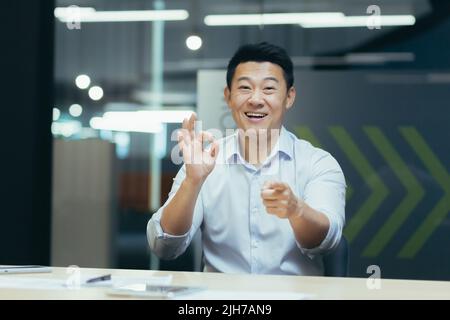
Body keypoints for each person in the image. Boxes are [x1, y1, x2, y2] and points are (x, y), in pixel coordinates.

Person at [147, 42, 346, 275]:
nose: (256, 99)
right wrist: (193, 182)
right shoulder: (204, 161)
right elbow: (164, 246)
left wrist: (296, 210)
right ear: (228, 96)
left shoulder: (318, 164)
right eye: (244, 88)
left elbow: (327, 240)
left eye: (269, 89)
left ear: (289, 97)